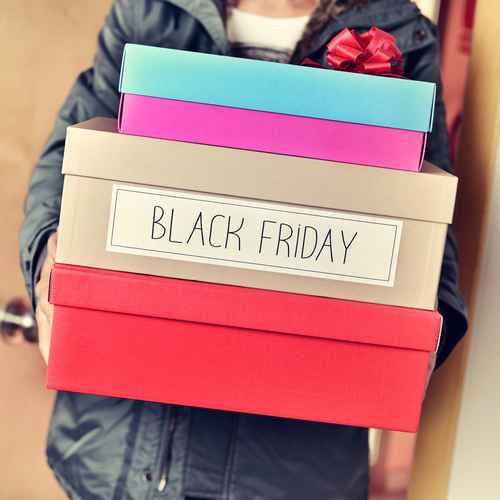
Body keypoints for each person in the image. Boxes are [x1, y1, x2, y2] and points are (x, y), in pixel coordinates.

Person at [19, 1, 468, 499]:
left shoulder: (401, 35)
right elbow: (69, 163)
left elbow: (431, 233)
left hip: (290, 474)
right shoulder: (152, 11)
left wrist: (415, 341)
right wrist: (49, 262)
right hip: (112, 456)